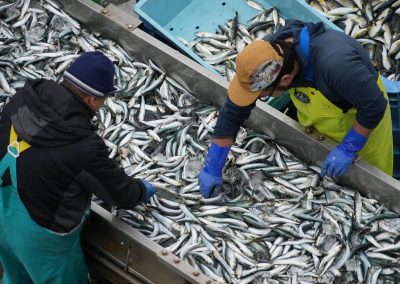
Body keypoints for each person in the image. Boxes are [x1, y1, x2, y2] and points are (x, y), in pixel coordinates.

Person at [0, 51, 155, 283]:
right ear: (92, 99)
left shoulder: (22, 98)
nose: (103, 104)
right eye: (104, 98)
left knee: (16, 274)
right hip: (42, 237)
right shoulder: (83, 145)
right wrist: (142, 190)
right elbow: (120, 194)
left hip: (3, 212)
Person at [199, 20, 393, 198]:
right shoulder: (270, 55)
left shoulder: (337, 65)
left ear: (285, 80)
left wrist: (349, 148)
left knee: (370, 186)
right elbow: (234, 112)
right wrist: (213, 165)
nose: (259, 99)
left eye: (262, 95)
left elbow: (374, 107)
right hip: (318, 113)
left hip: (362, 119)